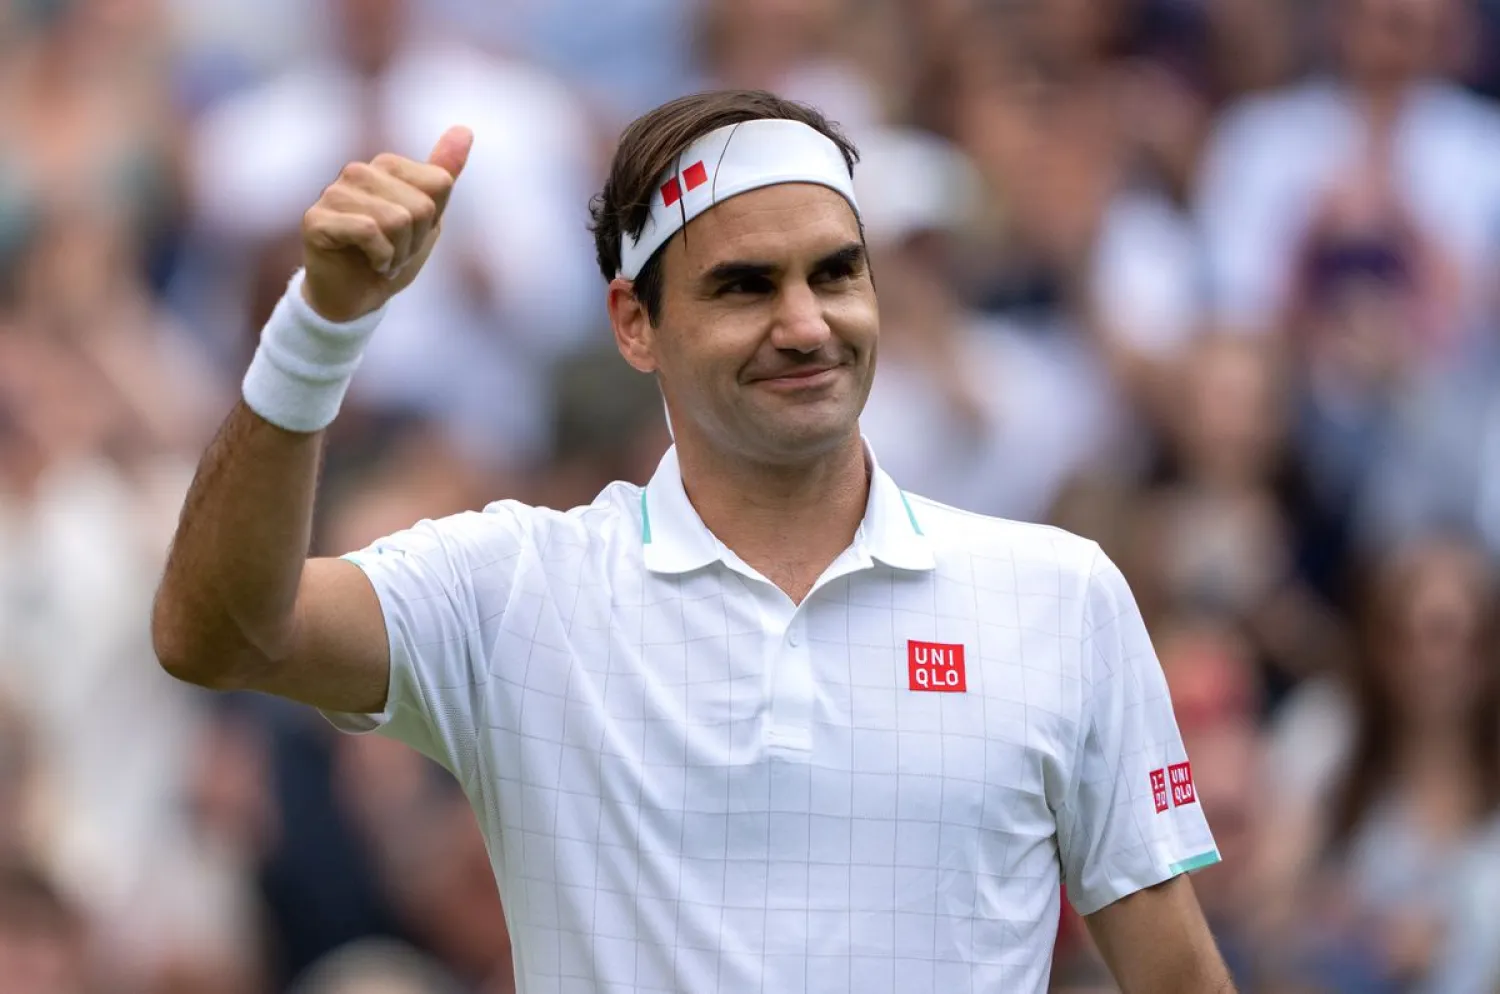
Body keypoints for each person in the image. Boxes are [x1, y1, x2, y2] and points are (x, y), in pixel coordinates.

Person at [151, 89, 1234, 993]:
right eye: (744, 285)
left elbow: (1176, 975)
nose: (807, 323)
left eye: (836, 272)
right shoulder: (516, 590)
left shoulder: (1058, 593)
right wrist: (320, 326)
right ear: (635, 324)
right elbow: (217, 633)